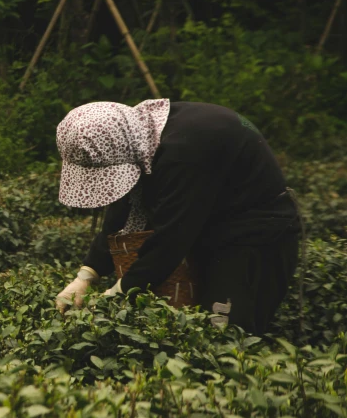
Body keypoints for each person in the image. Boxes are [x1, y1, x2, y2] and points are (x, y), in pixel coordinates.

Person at [54, 99, 301, 333]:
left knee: (224, 332)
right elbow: (125, 204)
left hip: (255, 235)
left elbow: (171, 238)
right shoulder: (141, 133)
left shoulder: (185, 151)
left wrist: (118, 292)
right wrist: (87, 275)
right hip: (210, 225)